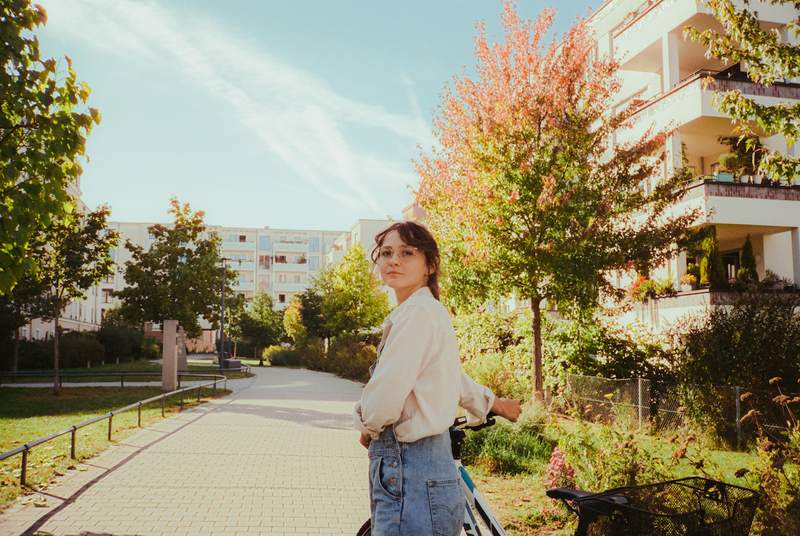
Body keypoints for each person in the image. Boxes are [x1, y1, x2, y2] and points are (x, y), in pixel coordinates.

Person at [353, 221, 522, 536]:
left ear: (429, 265)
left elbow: (386, 395)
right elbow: (446, 373)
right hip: (428, 467)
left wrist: (369, 426)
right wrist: (492, 403)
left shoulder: (417, 314)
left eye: (407, 253)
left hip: (409, 467)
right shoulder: (427, 311)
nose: (393, 260)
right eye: (386, 252)